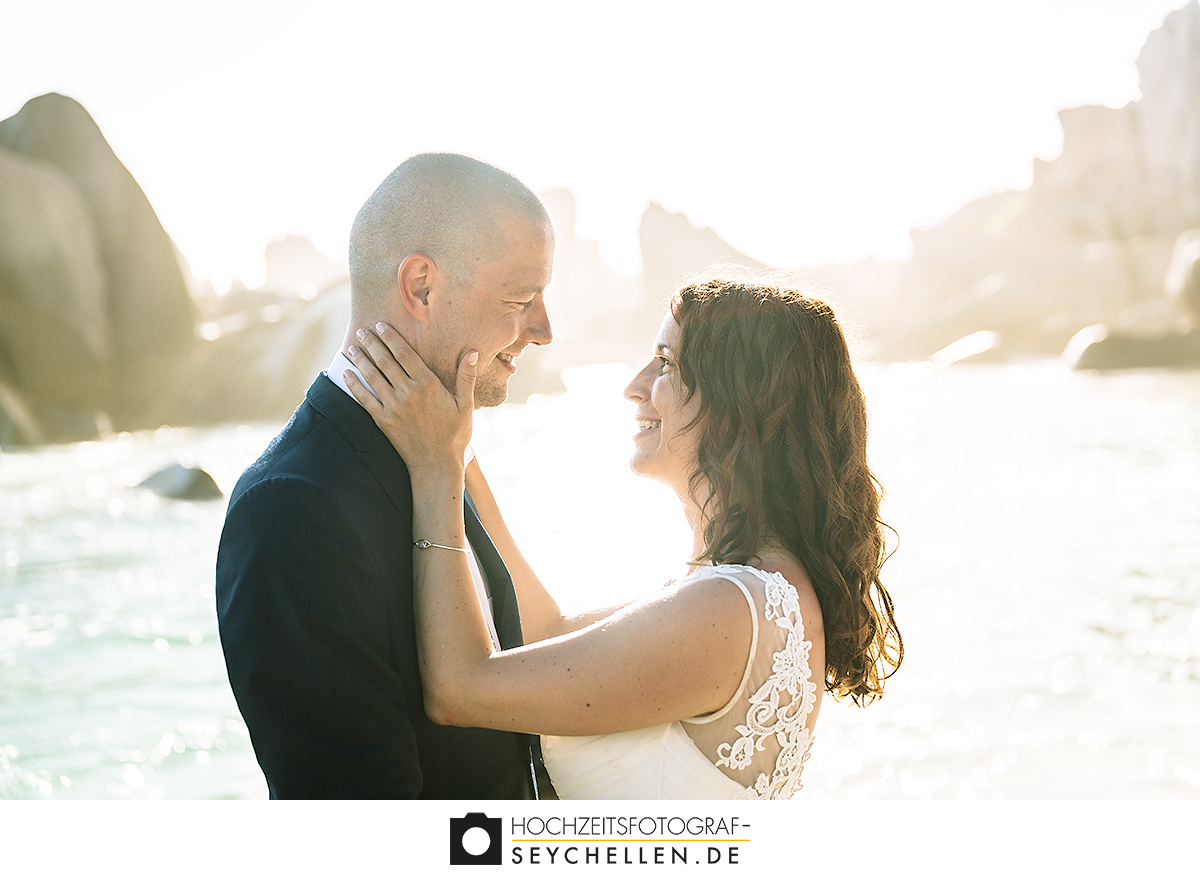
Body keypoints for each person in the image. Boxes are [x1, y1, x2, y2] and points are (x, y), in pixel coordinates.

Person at [344, 276, 904, 799]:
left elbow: (459, 688)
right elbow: (544, 633)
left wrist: (433, 469)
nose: (634, 386)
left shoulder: (731, 607)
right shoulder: (749, 590)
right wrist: (457, 448)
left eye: (666, 363)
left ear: (743, 401)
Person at [215, 153, 562, 798]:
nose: (543, 330)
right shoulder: (291, 510)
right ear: (421, 288)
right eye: (520, 299)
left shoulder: (444, 449)